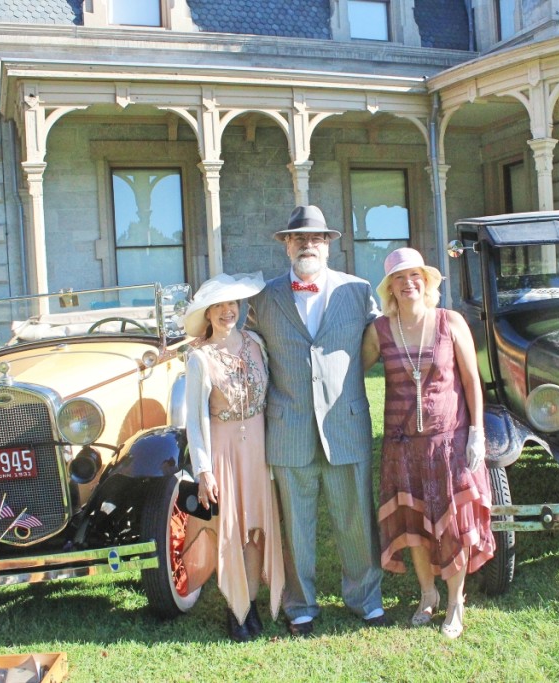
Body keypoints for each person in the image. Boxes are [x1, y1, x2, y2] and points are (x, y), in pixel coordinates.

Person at [247, 205, 386, 637]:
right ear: (286, 244)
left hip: (346, 423)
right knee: (297, 527)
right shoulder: (263, 297)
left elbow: (377, 345)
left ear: (328, 244)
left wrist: (341, 387)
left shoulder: (359, 291)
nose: (308, 244)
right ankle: (301, 604)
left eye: (317, 238)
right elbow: (246, 351)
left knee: (356, 520)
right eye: (298, 238)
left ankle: (366, 599)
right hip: (288, 427)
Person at [362, 247, 495, 639]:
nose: (408, 284)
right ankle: (427, 594)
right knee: (413, 521)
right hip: (401, 446)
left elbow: (472, 381)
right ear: (390, 288)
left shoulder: (449, 322)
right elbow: (347, 370)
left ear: (427, 282)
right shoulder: (380, 331)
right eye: (399, 279)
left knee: (452, 524)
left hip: (448, 442)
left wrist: (477, 433)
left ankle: (456, 603)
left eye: (415, 276)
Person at [180, 272, 285, 642]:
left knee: (256, 530)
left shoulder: (256, 343)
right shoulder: (199, 358)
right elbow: (193, 418)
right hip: (222, 450)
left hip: (258, 448)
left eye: (233, 304)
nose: (228, 311)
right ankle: (234, 610)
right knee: (231, 531)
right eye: (220, 306)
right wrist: (203, 469)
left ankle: (251, 603)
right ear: (207, 314)